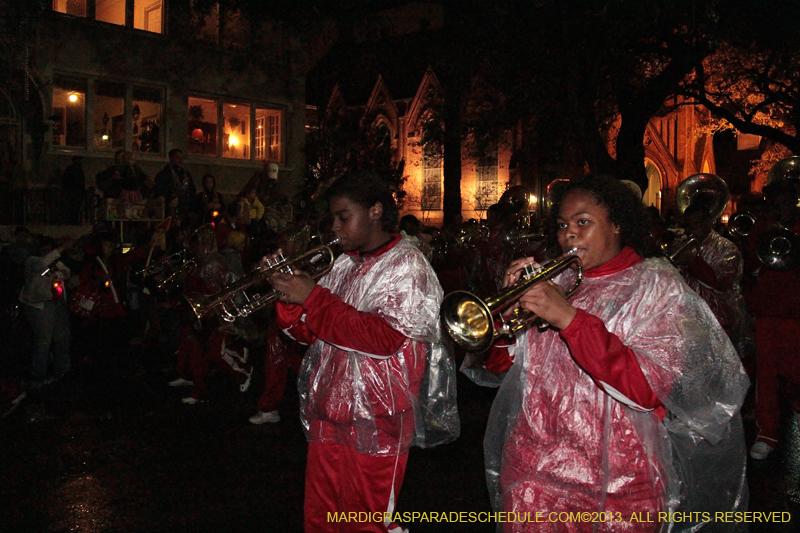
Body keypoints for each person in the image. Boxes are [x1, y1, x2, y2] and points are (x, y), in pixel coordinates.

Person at [463, 174, 748, 532]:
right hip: (533, 473)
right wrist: (504, 319)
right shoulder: (559, 282)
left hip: (617, 485)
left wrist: (569, 319)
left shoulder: (657, 286)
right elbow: (503, 368)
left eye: (583, 222)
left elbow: (647, 390)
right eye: (563, 224)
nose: (569, 234)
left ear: (617, 225)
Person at [269, 171, 459, 532]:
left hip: (379, 414)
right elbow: (313, 334)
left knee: (364, 518)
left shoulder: (408, 265)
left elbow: (382, 339)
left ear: (375, 211)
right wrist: (289, 298)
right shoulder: (344, 262)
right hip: (330, 407)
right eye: (333, 219)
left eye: (343, 217)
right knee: (321, 514)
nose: (335, 228)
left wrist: (312, 297)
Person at [743, 179, 800, 460]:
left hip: (796, 311)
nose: (781, 204)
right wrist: (760, 240)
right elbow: (752, 269)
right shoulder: (762, 227)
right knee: (766, 374)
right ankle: (767, 434)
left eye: (786, 199)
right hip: (767, 312)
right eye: (776, 200)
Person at [173, 224, 252, 404]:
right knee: (196, 353)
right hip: (200, 315)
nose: (194, 248)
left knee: (215, 352)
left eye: (197, 244)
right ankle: (198, 390)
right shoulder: (201, 261)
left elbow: (218, 294)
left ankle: (244, 371)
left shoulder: (212, 263)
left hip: (214, 316)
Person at [676, 203, 750, 357]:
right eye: (689, 224)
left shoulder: (727, 248)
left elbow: (721, 282)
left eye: (697, 223)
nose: (692, 229)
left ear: (708, 222)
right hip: (689, 318)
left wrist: (693, 262)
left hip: (719, 319)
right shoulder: (683, 243)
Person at [19, 236, 73, 385]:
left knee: (62, 337)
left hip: (57, 303)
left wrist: (59, 273)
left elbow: (67, 272)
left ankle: (62, 372)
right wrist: (61, 249)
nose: (48, 251)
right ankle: (38, 376)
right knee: (43, 340)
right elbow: (40, 266)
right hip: (40, 305)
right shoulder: (32, 261)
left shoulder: (56, 263)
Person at [154, 149, 196, 222]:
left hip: (184, 206)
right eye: (177, 158)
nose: (180, 160)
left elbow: (192, 190)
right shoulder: (164, 174)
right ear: (171, 158)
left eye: (181, 158)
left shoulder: (186, 174)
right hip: (170, 206)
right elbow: (159, 189)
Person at [61, 156, 86, 224]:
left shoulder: (79, 170)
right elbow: (65, 181)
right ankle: (70, 219)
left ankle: (74, 220)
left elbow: (82, 182)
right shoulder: (70, 170)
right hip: (71, 191)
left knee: (76, 207)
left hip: (77, 191)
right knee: (71, 206)